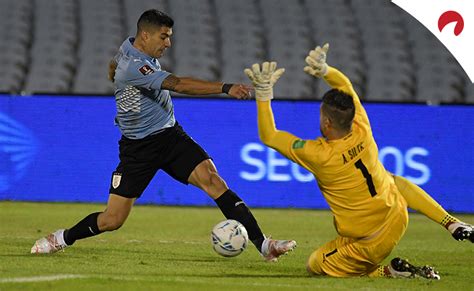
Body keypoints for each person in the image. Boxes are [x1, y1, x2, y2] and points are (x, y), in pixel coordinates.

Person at [31, 9, 296, 262]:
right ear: (146, 35)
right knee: (112, 220)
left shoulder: (129, 47)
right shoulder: (135, 67)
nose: (168, 43)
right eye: (164, 36)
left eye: (169, 36)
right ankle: (62, 238)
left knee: (213, 180)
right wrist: (225, 87)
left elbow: (116, 60)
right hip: (138, 149)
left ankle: (264, 245)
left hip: (170, 136)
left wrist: (112, 68)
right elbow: (178, 84)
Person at [244, 44, 473, 279]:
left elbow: (270, 135)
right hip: (397, 216)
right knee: (391, 180)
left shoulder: (318, 154)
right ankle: (451, 223)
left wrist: (263, 94)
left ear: (327, 124)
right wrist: (325, 69)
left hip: (370, 242)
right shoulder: (361, 125)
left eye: (322, 116)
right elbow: (345, 86)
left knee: (315, 264)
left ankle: (386, 273)